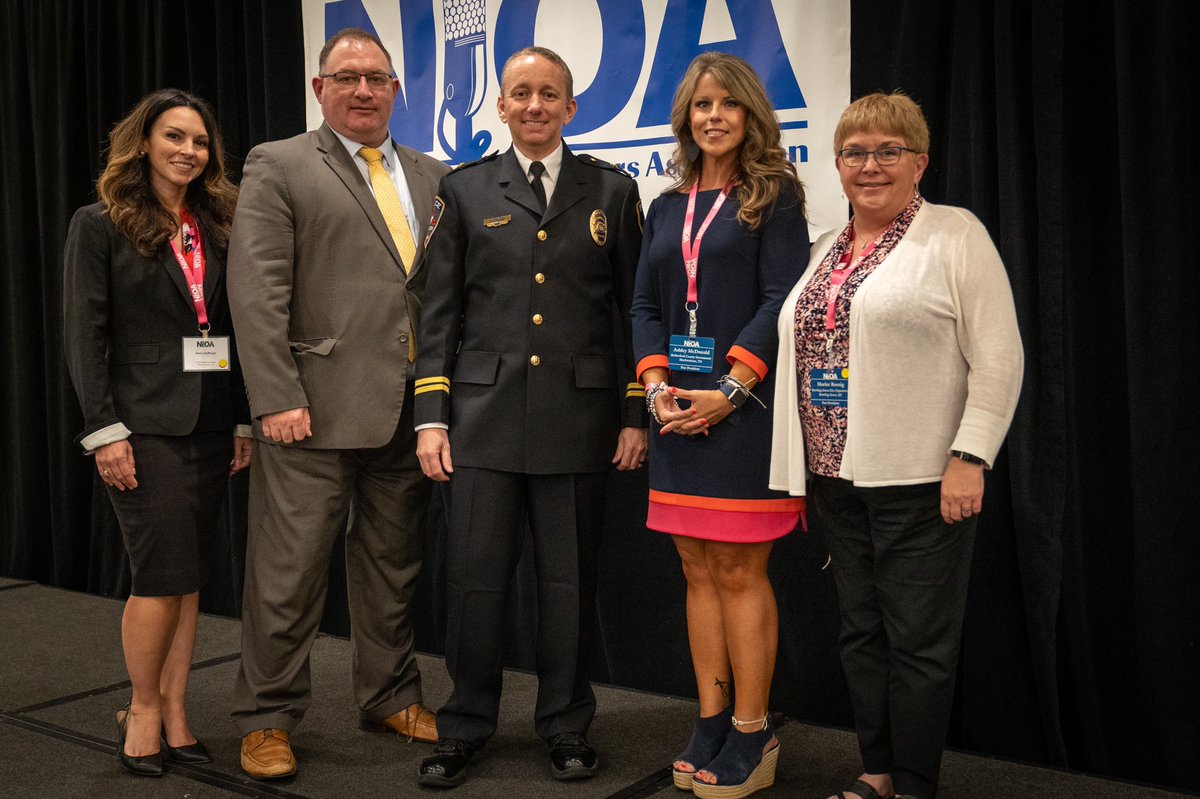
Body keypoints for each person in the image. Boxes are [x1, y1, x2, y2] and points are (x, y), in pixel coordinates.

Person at [770, 92, 1024, 799]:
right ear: (837, 164)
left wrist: (970, 455)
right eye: (855, 152)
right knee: (861, 635)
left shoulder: (953, 234)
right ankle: (876, 773)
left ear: (920, 161)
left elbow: (999, 355)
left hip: (923, 479)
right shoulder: (823, 249)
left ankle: (913, 785)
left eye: (888, 151)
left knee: (918, 645)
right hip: (837, 480)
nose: (870, 165)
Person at [412, 46, 646, 789]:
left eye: (550, 94)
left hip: (580, 423)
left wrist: (635, 414)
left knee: (568, 586)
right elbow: (439, 312)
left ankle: (566, 725)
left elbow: (631, 313)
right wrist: (430, 417)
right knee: (474, 583)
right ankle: (466, 725)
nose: (536, 105)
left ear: (571, 109)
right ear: (502, 107)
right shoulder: (465, 187)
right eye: (522, 93)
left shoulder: (611, 192)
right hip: (480, 421)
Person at [225, 28, 451, 780]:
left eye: (377, 78)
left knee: (393, 566)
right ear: (320, 89)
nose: (363, 90)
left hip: (405, 412)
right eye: (346, 77)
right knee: (287, 574)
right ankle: (266, 715)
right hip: (310, 411)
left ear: (396, 90)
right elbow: (256, 293)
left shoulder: (433, 174)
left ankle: (388, 693)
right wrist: (275, 398)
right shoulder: (280, 163)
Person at [629, 52, 808, 799]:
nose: (713, 116)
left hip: (745, 417)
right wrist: (658, 383)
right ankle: (709, 718)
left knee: (740, 571)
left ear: (749, 115)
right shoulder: (666, 207)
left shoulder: (776, 195)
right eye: (701, 105)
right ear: (685, 117)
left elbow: (781, 297)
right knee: (695, 570)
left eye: (727, 105)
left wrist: (731, 388)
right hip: (677, 416)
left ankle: (751, 728)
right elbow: (643, 306)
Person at [63, 88, 252, 777]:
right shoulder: (100, 223)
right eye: (174, 137)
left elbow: (224, 329)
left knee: (190, 574)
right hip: (139, 426)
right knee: (159, 573)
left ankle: (176, 710)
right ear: (144, 142)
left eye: (200, 142)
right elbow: (86, 337)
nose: (188, 152)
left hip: (208, 419)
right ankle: (141, 708)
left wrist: (238, 416)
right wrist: (103, 430)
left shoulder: (217, 223)